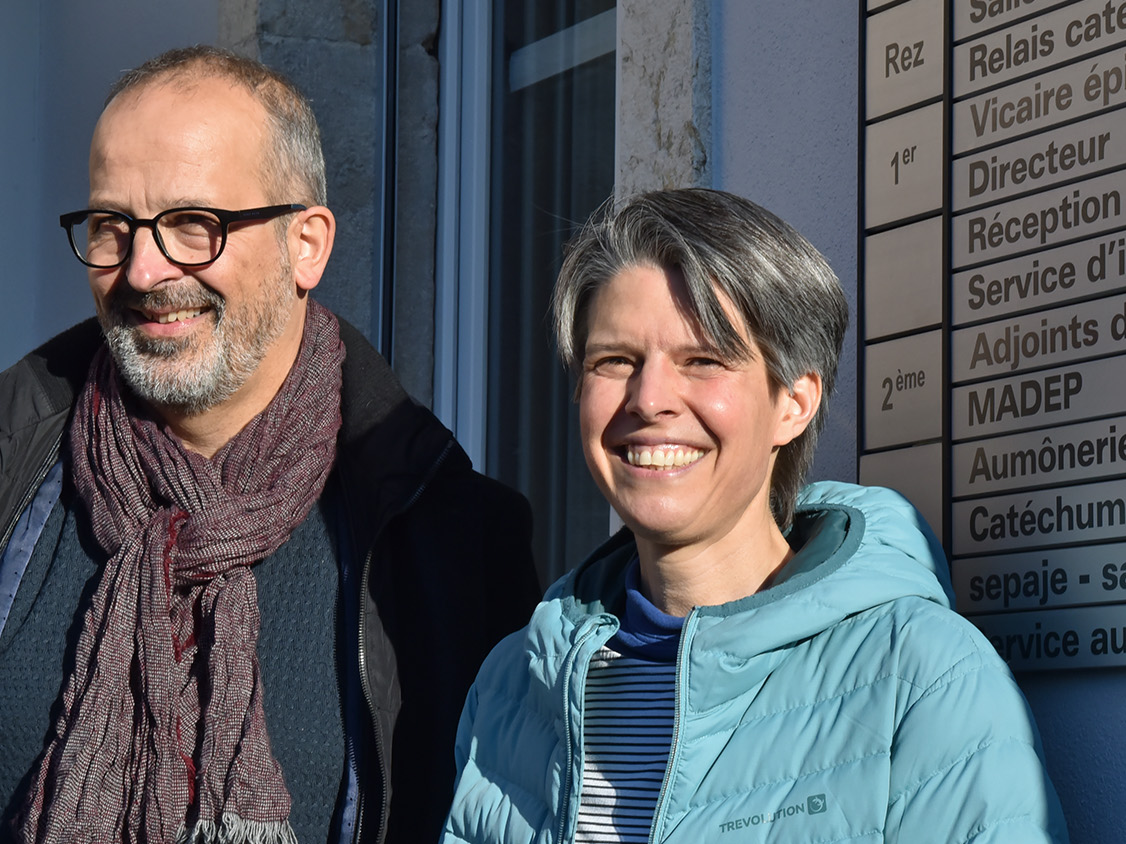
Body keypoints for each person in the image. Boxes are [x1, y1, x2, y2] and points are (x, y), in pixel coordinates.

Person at [0, 46, 539, 844]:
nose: (144, 271)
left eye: (194, 225)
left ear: (308, 244)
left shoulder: (445, 532)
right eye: (113, 227)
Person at [441, 188, 1068, 843]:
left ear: (793, 404)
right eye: (615, 361)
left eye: (703, 360)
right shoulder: (513, 688)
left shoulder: (919, 678)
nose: (649, 399)